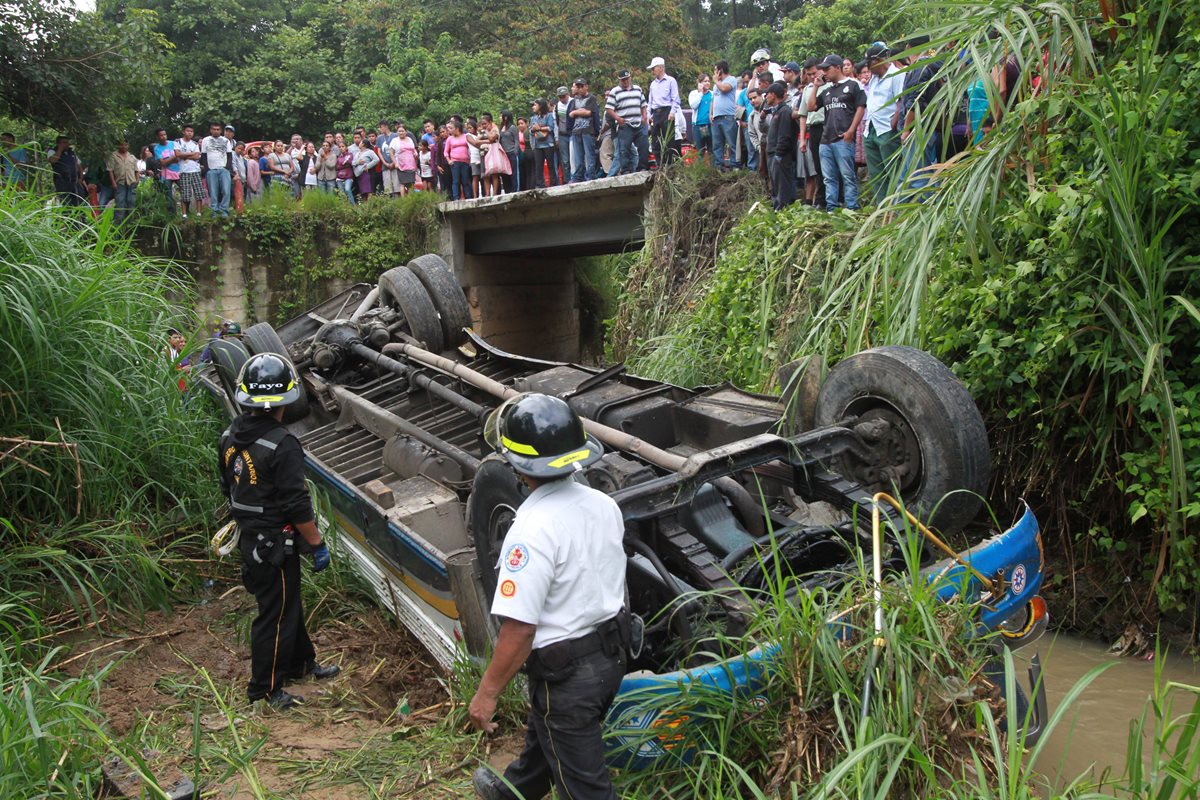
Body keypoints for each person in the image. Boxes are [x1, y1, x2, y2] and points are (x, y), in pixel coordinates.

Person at [469, 393, 627, 800]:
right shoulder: (604, 505)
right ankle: (512, 792)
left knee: (585, 786)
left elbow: (519, 630)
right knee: (549, 734)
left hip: (568, 677)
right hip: (611, 656)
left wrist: (486, 694)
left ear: (519, 468)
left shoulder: (530, 530)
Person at [219, 353, 339, 710]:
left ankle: (301, 663)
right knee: (274, 615)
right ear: (288, 397)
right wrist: (316, 543)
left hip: (253, 539)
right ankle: (264, 689)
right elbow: (297, 504)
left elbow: (228, 486)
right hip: (275, 544)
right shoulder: (282, 443)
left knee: (287, 604)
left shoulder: (229, 436)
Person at [810, 54, 866, 211]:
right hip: (825, 139)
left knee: (847, 175)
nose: (824, 73)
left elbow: (861, 107)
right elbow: (811, 107)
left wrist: (851, 131)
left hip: (843, 138)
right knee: (829, 178)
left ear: (837, 68)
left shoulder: (853, 85)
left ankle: (852, 207)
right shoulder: (827, 91)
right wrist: (816, 86)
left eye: (827, 69)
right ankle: (831, 209)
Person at [862, 42, 904, 203]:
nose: (867, 69)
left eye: (869, 64)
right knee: (876, 171)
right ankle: (883, 204)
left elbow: (901, 100)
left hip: (887, 128)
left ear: (876, 61)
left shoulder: (897, 75)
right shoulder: (874, 79)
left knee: (893, 169)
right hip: (872, 128)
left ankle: (897, 204)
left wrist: (895, 122)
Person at [605, 70, 649, 177]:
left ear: (630, 78)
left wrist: (644, 117)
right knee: (624, 148)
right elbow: (609, 108)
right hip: (625, 123)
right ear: (620, 80)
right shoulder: (615, 91)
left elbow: (643, 105)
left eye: (627, 79)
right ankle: (626, 170)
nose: (625, 81)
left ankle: (642, 167)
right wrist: (618, 118)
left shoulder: (638, 89)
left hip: (638, 122)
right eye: (623, 80)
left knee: (644, 145)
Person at [765, 82, 799, 211]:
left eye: (767, 94)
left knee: (782, 185)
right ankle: (778, 208)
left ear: (773, 94)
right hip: (773, 153)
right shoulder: (776, 111)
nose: (766, 97)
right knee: (775, 183)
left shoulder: (784, 111)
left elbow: (785, 135)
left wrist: (779, 154)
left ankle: (783, 209)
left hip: (780, 155)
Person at [646, 57, 681, 168]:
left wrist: (672, 112)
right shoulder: (653, 84)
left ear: (660, 68)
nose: (652, 71)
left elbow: (676, 99)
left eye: (654, 68)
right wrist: (648, 115)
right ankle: (659, 164)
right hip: (656, 113)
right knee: (656, 140)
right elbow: (650, 102)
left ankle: (670, 165)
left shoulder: (671, 81)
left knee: (669, 140)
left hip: (667, 112)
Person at [567, 79, 600, 183]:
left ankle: (591, 175)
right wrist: (580, 111)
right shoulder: (573, 101)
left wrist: (577, 112)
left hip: (588, 130)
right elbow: (570, 114)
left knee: (590, 156)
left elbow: (588, 112)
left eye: (582, 86)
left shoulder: (591, 98)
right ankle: (578, 176)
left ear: (586, 86)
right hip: (576, 131)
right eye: (578, 86)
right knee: (578, 157)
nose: (580, 89)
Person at [710, 61, 739, 169]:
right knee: (717, 144)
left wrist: (716, 81)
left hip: (728, 116)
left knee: (731, 143)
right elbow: (713, 99)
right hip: (716, 117)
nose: (714, 72)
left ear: (720, 70)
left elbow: (724, 89)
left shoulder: (731, 79)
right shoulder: (716, 84)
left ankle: (735, 165)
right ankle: (719, 166)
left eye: (715, 70)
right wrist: (711, 113)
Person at [201, 122, 233, 217]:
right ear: (211, 130)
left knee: (226, 190)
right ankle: (214, 211)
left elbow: (229, 155)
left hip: (223, 169)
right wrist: (207, 169)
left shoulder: (225, 140)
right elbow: (203, 155)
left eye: (218, 129)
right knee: (213, 192)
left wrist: (227, 168)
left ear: (221, 130)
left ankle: (224, 210)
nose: (216, 131)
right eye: (214, 129)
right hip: (211, 170)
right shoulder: (205, 140)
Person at [47, 136, 86, 206]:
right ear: (59, 143)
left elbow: (79, 165)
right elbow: (53, 160)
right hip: (62, 182)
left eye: (67, 142)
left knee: (80, 201)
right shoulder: (52, 151)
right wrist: (60, 149)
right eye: (64, 143)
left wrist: (80, 178)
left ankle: (80, 216)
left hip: (75, 182)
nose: (67, 144)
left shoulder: (71, 153)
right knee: (65, 202)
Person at [107, 140, 139, 224]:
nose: (124, 146)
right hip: (120, 183)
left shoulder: (131, 157)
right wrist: (113, 182)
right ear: (118, 145)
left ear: (128, 145)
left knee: (131, 202)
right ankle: (117, 225)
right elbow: (110, 170)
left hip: (131, 183)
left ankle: (130, 224)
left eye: (126, 145)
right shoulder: (113, 156)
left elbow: (136, 170)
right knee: (119, 204)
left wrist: (137, 179)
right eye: (121, 145)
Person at [174, 125, 203, 218]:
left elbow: (197, 156)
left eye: (191, 131)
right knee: (185, 193)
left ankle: (198, 213)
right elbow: (177, 154)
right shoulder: (178, 142)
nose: (189, 133)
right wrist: (191, 154)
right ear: (183, 132)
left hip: (195, 170)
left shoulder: (195, 143)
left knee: (198, 192)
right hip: (184, 171)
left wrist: (184, 155)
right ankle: (184, 214)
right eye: (187, 131)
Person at [529, 99, 558, 188]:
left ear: (540, 106)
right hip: (537, 145)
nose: (533, 107)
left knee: (551, 165)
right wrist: (533, 129)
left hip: (548, 144)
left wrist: (539, 128)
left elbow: (550, 128)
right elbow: (530, 130)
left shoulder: (549, 116)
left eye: (535, 105)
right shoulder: (533, 118)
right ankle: (540, 185)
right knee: (539, 166)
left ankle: (553, 184)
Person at [445, 119, 473, 200]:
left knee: (465, 181)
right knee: (456, 181)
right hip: (455, 162)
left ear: (457, 129)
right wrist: (449, 160)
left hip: (465, 162)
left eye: (451, 128)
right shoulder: (450, 139)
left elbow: (470, 148)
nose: (450, 130)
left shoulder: (465, 136)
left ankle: (468, 197)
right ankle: (456, 197)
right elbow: (446, 152)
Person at [687, 73, 712, 157]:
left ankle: (713, 168)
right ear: (700, 83)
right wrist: (700, 93)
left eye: (709, 81)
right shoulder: (694, 93)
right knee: (700, 150)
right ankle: (700, 168)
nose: (708, 83)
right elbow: (693, 105)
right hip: (698, 125)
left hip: (709, 125)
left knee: (711, 149)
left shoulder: (712, 94)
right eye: (705, 81)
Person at [391, 123, 418, 196]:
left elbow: (413, 149)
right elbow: (391, 153)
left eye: (402, 131)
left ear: (406, 131)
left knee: (411, 183)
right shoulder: (394, 140)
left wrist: (415, 153)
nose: (401, 133)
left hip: (411, 164)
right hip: (401, 164)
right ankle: (403, 201)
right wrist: (395, 163)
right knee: (402, 183)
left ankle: (411, 199)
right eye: (399, 131)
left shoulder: (409, 139)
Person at [554, 87, 573, 184]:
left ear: (568, 94)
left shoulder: (573, 102)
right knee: (565, 160)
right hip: (562, 135)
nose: (562, 99)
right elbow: (555, 123)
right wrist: (556, 138)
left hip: (573, 134)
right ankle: (567, 179)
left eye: (564, 96)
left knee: (574, 157)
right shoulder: (557, 106)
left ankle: (576, 178)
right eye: (560, 97)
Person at [498, 111, 520, 193]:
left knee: (513, 173)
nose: (500, 118)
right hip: (503, 154)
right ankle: (507, 190)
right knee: (504, 173)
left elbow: (516, 140)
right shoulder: (501, 128)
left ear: (506, 117)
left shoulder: (512, 127)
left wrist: (515, 151)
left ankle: (514, 190)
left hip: (511, 152)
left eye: (501, 116)